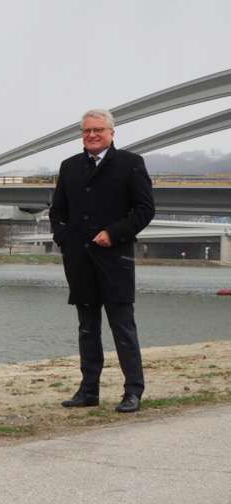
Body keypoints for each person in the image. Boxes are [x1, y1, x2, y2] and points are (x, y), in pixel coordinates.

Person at [50, 109, 155, 413]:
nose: (92, 135)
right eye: (86, 131)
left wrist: (113, 233)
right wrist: (64, 238)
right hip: (79, 258)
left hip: (115, 257)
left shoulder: (130, 164)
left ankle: (133, 391)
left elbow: (145, 209)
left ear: (112, 132)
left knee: (123, 326)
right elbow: (58, 212)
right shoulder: (69, 166)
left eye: (98, 130)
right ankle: (88, 390)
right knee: (87, 327)